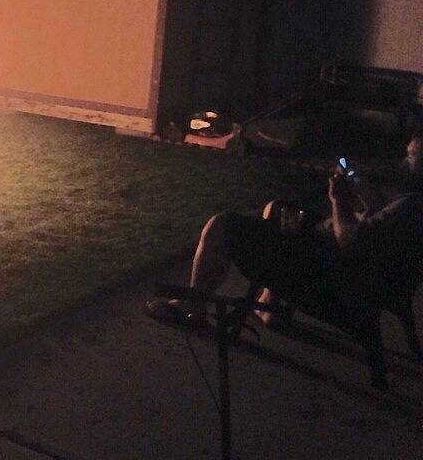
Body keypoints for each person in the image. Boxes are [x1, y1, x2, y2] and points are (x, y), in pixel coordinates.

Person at [145, 125, 423, 330]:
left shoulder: (411, 205)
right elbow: (376, 234)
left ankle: (193, 308)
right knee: (278, 208)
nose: (404, 164)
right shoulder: (409, 204)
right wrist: (367, 199)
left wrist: (339, 201)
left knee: (221, 225)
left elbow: (350, 240)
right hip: (348, 267)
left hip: (327, 274)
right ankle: (269, 305)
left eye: (412, 159)